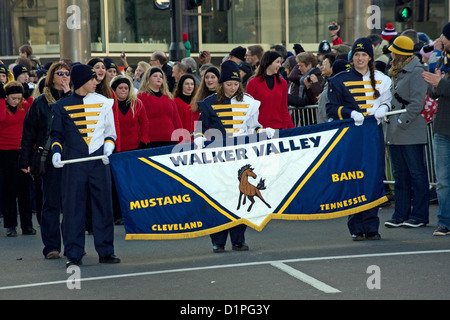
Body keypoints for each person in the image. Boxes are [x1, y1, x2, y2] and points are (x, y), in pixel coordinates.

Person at [193, 60, 274, 252]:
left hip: (241, 157)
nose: (232, 87)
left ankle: (239, 239)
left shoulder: (248, 102)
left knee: (241, 196)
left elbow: (254, 126)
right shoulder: (209, 102)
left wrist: (264, 131)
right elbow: (200, 127)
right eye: (229, 84)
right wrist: (197, 138)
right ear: (221, 84)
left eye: (236, 84)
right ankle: (218, 240)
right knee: (219, 197)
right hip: (218, 158)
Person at [50, 64, 120, 267]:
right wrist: (56, 152)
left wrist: (108, 147)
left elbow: (110, 133)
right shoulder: (61, 106)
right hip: (73, 162)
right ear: (81, 81)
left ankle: (106, 251)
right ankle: (73, 253)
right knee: (73, 209)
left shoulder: (105, 103)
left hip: (99, 161)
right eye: (92, 79)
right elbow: (57, 135)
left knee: (104, 207)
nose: (96, 82)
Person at [326, 37, 392, 241]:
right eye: (357, 55)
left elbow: (388, 102)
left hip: (373, 135)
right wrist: (348, 113)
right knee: (353, 178)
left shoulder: (382, 79)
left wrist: (384, 108)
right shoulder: (339, 80)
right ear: (351, 58)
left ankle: (372, 225)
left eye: (364, 55)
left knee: (373, 178)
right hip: (351, 135)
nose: (360, 58)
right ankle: (355, 226)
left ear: (370, 58)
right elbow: (331, 107)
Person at [19, 62, 71, 258]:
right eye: (60, 73)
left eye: (67, 73)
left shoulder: (76, 99)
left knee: (71, 203)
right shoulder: (40, 102)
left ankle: (73, 244)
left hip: (72, 157)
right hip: (48, 157)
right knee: (51, 202)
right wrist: (25, 160)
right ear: (51, 77)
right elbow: (29, 133)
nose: (65, 76)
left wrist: (68, 97)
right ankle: (51, 247)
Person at [383, 36, 429, 229]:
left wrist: (402, 122)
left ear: (400, 53)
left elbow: (417, 103)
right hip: (396, 132)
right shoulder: (397, 72)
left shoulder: (416, 72)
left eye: (394, 51)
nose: (391, 54)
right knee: (400, 175)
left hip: (409, 131)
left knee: (417, 174)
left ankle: (419, 215)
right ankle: (400, 214)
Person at [110, 74, 149, 225]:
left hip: (133, 150)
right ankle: (116, 214)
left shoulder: (136, 103)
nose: (124, 90)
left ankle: (131, 214)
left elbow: (144, 123)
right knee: (115, 185)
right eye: (120, 88)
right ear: (114, 89)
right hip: (115, 151)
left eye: (126, 88)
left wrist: (143, 142)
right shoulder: (109, 105)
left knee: (131, 184)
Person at [422, 22, 450, 236]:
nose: (440, 42)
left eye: (443, 38)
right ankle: (444, 221)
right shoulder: (443, 60)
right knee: (442, 180)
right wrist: (434, 85)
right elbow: (434, 93)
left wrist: (440, 84)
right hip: (442, 127)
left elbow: (443, 86)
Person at [0, 81, 34, 237]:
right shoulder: (2, 106)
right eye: (13, 98)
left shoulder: (25, 105)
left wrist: (26, 95)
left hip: (23, 151)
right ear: (6, 97)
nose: (16, 101)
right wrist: (1, 99)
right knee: (9, 189)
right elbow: (1, 117)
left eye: (19, 98)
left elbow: (34, 110)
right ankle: (10, 225)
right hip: (5, 152)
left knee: (24, 189)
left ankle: (27, 225)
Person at [246, 51, 294, 130]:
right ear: (268, 62)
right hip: (260, 129)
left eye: (280, 62)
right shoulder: (253, 83)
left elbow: (284, 108)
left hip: (279, 128)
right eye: (277, 62)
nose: (280, 65)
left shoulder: (283, 83)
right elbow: (249, 109)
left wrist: (290, 129)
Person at [138, 67, 183, 148]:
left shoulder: (169, 98)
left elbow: (176, 120)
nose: (159, 78)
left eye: (161, 76)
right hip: (150, 141)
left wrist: (181, 140)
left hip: (170, 140)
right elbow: (139, 122)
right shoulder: (140, 97)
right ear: (148, 79)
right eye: (155, 76)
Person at [173, 74, 199, 143]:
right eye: (187, 84)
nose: (190, 86)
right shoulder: (175, 102)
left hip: (196, 139)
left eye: (192, 84)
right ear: (181, 86)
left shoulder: (197, 102)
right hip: (180, 139)